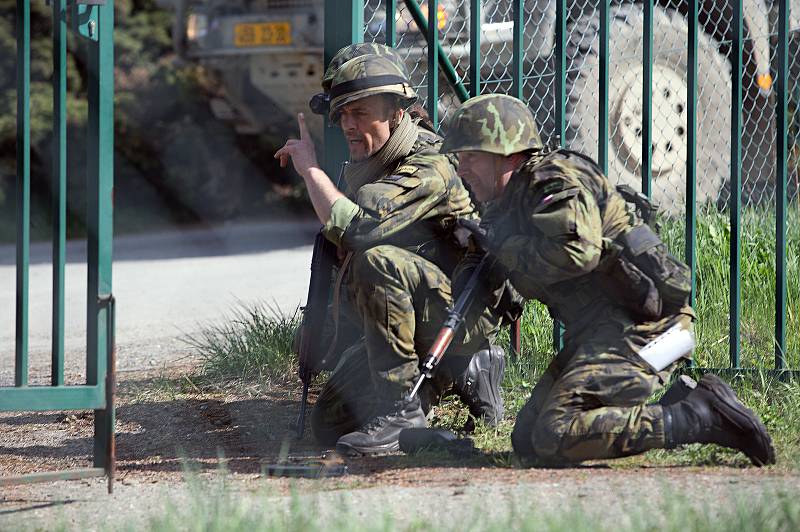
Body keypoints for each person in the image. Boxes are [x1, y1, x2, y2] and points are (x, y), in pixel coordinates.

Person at [439, 93, 775, 466]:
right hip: (606, 332)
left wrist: (500, 245)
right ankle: (674, 404)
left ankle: (700, 415)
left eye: (470, 156)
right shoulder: (510, 202)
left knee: (555, 433)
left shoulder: (551, 181)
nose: (462, 167)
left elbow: (578, 253)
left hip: (653, 330)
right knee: (529, 439)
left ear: (506, 152)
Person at [275, 52, 506, 456]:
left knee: (376, 259)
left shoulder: (429, 164)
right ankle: (461, 370)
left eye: (361, 112)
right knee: (329, 423)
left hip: (460, 311)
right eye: (342, 113)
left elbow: (358, 227)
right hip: (413, 313)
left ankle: (404, 410)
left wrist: (311, 170)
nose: (348, 123)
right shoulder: (372, 164)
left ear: (397, 111)